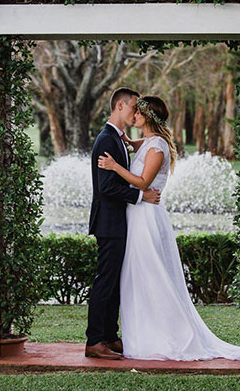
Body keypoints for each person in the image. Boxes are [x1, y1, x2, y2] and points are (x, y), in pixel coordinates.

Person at [97, 95, 240, 361]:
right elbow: (144, 146)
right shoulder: (149, 142)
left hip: (146, 218)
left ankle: (167, 334)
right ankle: (141, 333)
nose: (134, 114)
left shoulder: (157, 146)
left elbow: (143, 180)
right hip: (137, 217)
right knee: (138, 277)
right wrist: (130, 142)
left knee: (152, 276)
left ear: (147, 117)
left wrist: (114, 166)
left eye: (138, 112)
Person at [85, 87, 161, 360]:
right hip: (109, 222)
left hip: (117, 221)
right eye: (132, 108)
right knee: (105, 281)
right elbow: (107, 187)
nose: (135, 113)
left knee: (114, 281)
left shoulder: (117, 139)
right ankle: (95, 340)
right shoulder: (107, 140)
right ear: (119, 106)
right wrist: (141, 196)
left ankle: (109, 336)